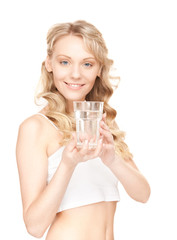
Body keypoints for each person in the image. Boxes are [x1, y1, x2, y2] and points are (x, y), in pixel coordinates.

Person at [16, 20, 150, 240]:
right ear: (49, 63)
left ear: (99, 69)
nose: (76, 74)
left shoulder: (103, 123)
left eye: (87, 64)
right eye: (65, 62)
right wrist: (68, 164)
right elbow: (35, 227)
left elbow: (143, 194)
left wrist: (112, 159)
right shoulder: (36, 128)